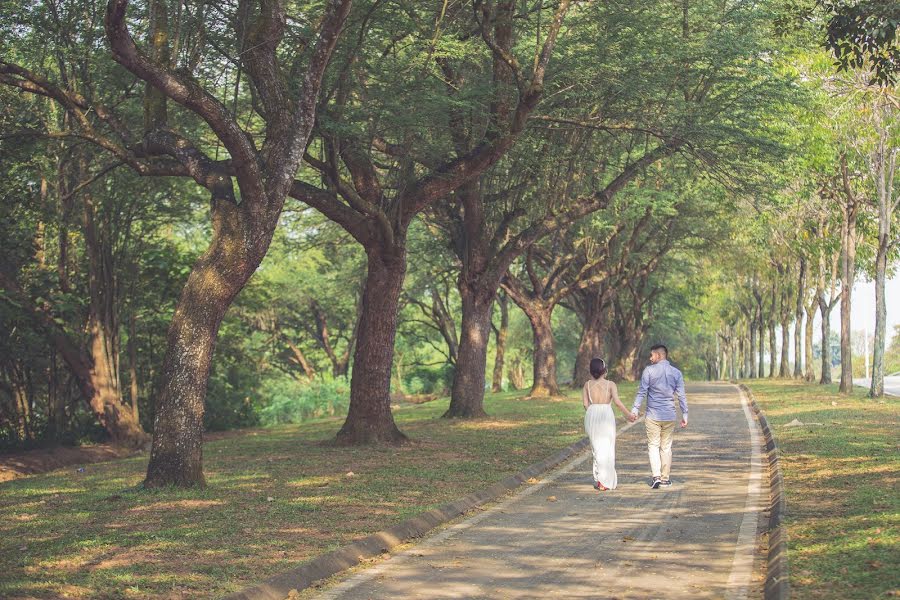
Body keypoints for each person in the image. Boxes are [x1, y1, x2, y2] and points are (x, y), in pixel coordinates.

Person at [631, 344, 688, 489]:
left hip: (653, 416)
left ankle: (656, 476)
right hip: (669, 415)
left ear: (659, 355)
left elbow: (642, 392)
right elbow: (681, 395)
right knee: (666, 447)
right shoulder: (676, 373)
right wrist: (685, 414)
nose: (650, 359)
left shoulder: (648, 371)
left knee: (653, 446)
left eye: (652, 355)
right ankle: (665, 478)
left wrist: (635, 410)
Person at [583, 358, 636, 491]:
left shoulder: (587, 385)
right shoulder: (610, 384)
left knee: (596, 448)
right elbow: (617, 402)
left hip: (592, 413)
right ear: (604, 370)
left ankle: (600, 479)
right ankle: (604, 480)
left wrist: (592, 412)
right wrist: (628, 415)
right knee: (607, 447)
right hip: (606, 414)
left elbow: (585, 404)